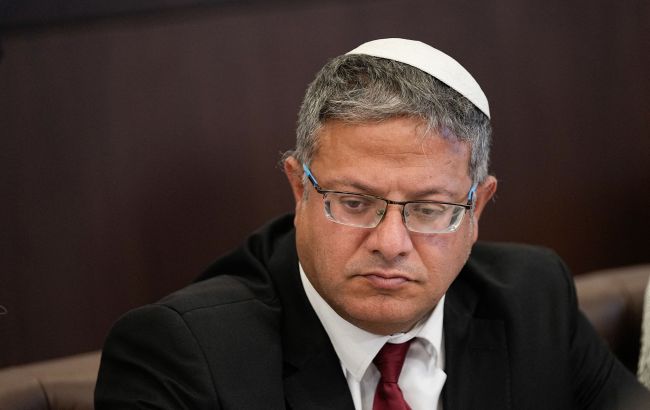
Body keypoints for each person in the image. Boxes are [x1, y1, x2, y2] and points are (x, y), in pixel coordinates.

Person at [95, 38, 650, 409]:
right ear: (299, 188)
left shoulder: (533, 298)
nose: (390, 243)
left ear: (476, 209)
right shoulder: (181, 355)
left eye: (429, 209)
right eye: (355, 202)